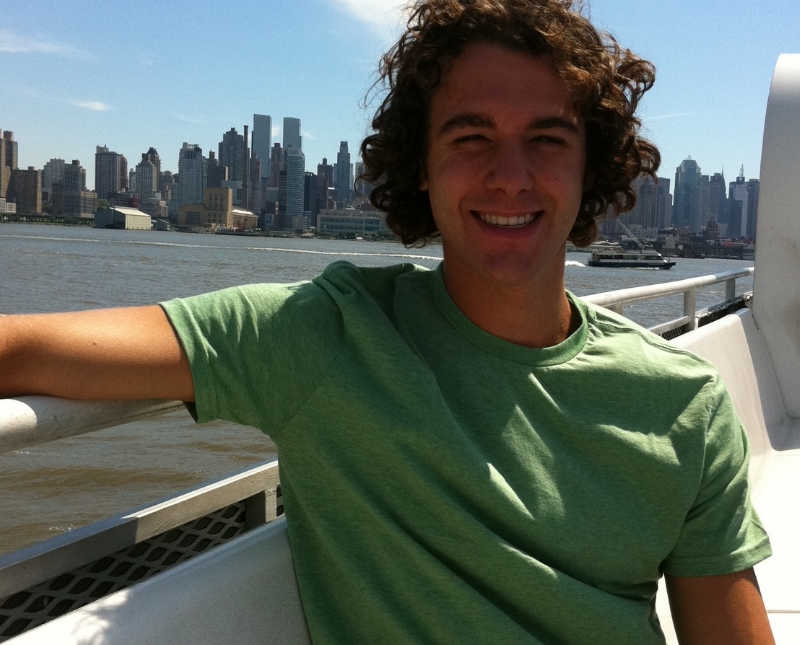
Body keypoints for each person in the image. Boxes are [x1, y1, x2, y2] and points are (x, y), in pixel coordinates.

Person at [0, 1, 774, 643]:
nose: (511, 175)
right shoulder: (325, 338)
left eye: (547, 139)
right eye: (471, 138)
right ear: (421, 168)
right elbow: (29, 348)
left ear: (588, 166)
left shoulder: (684, 406)